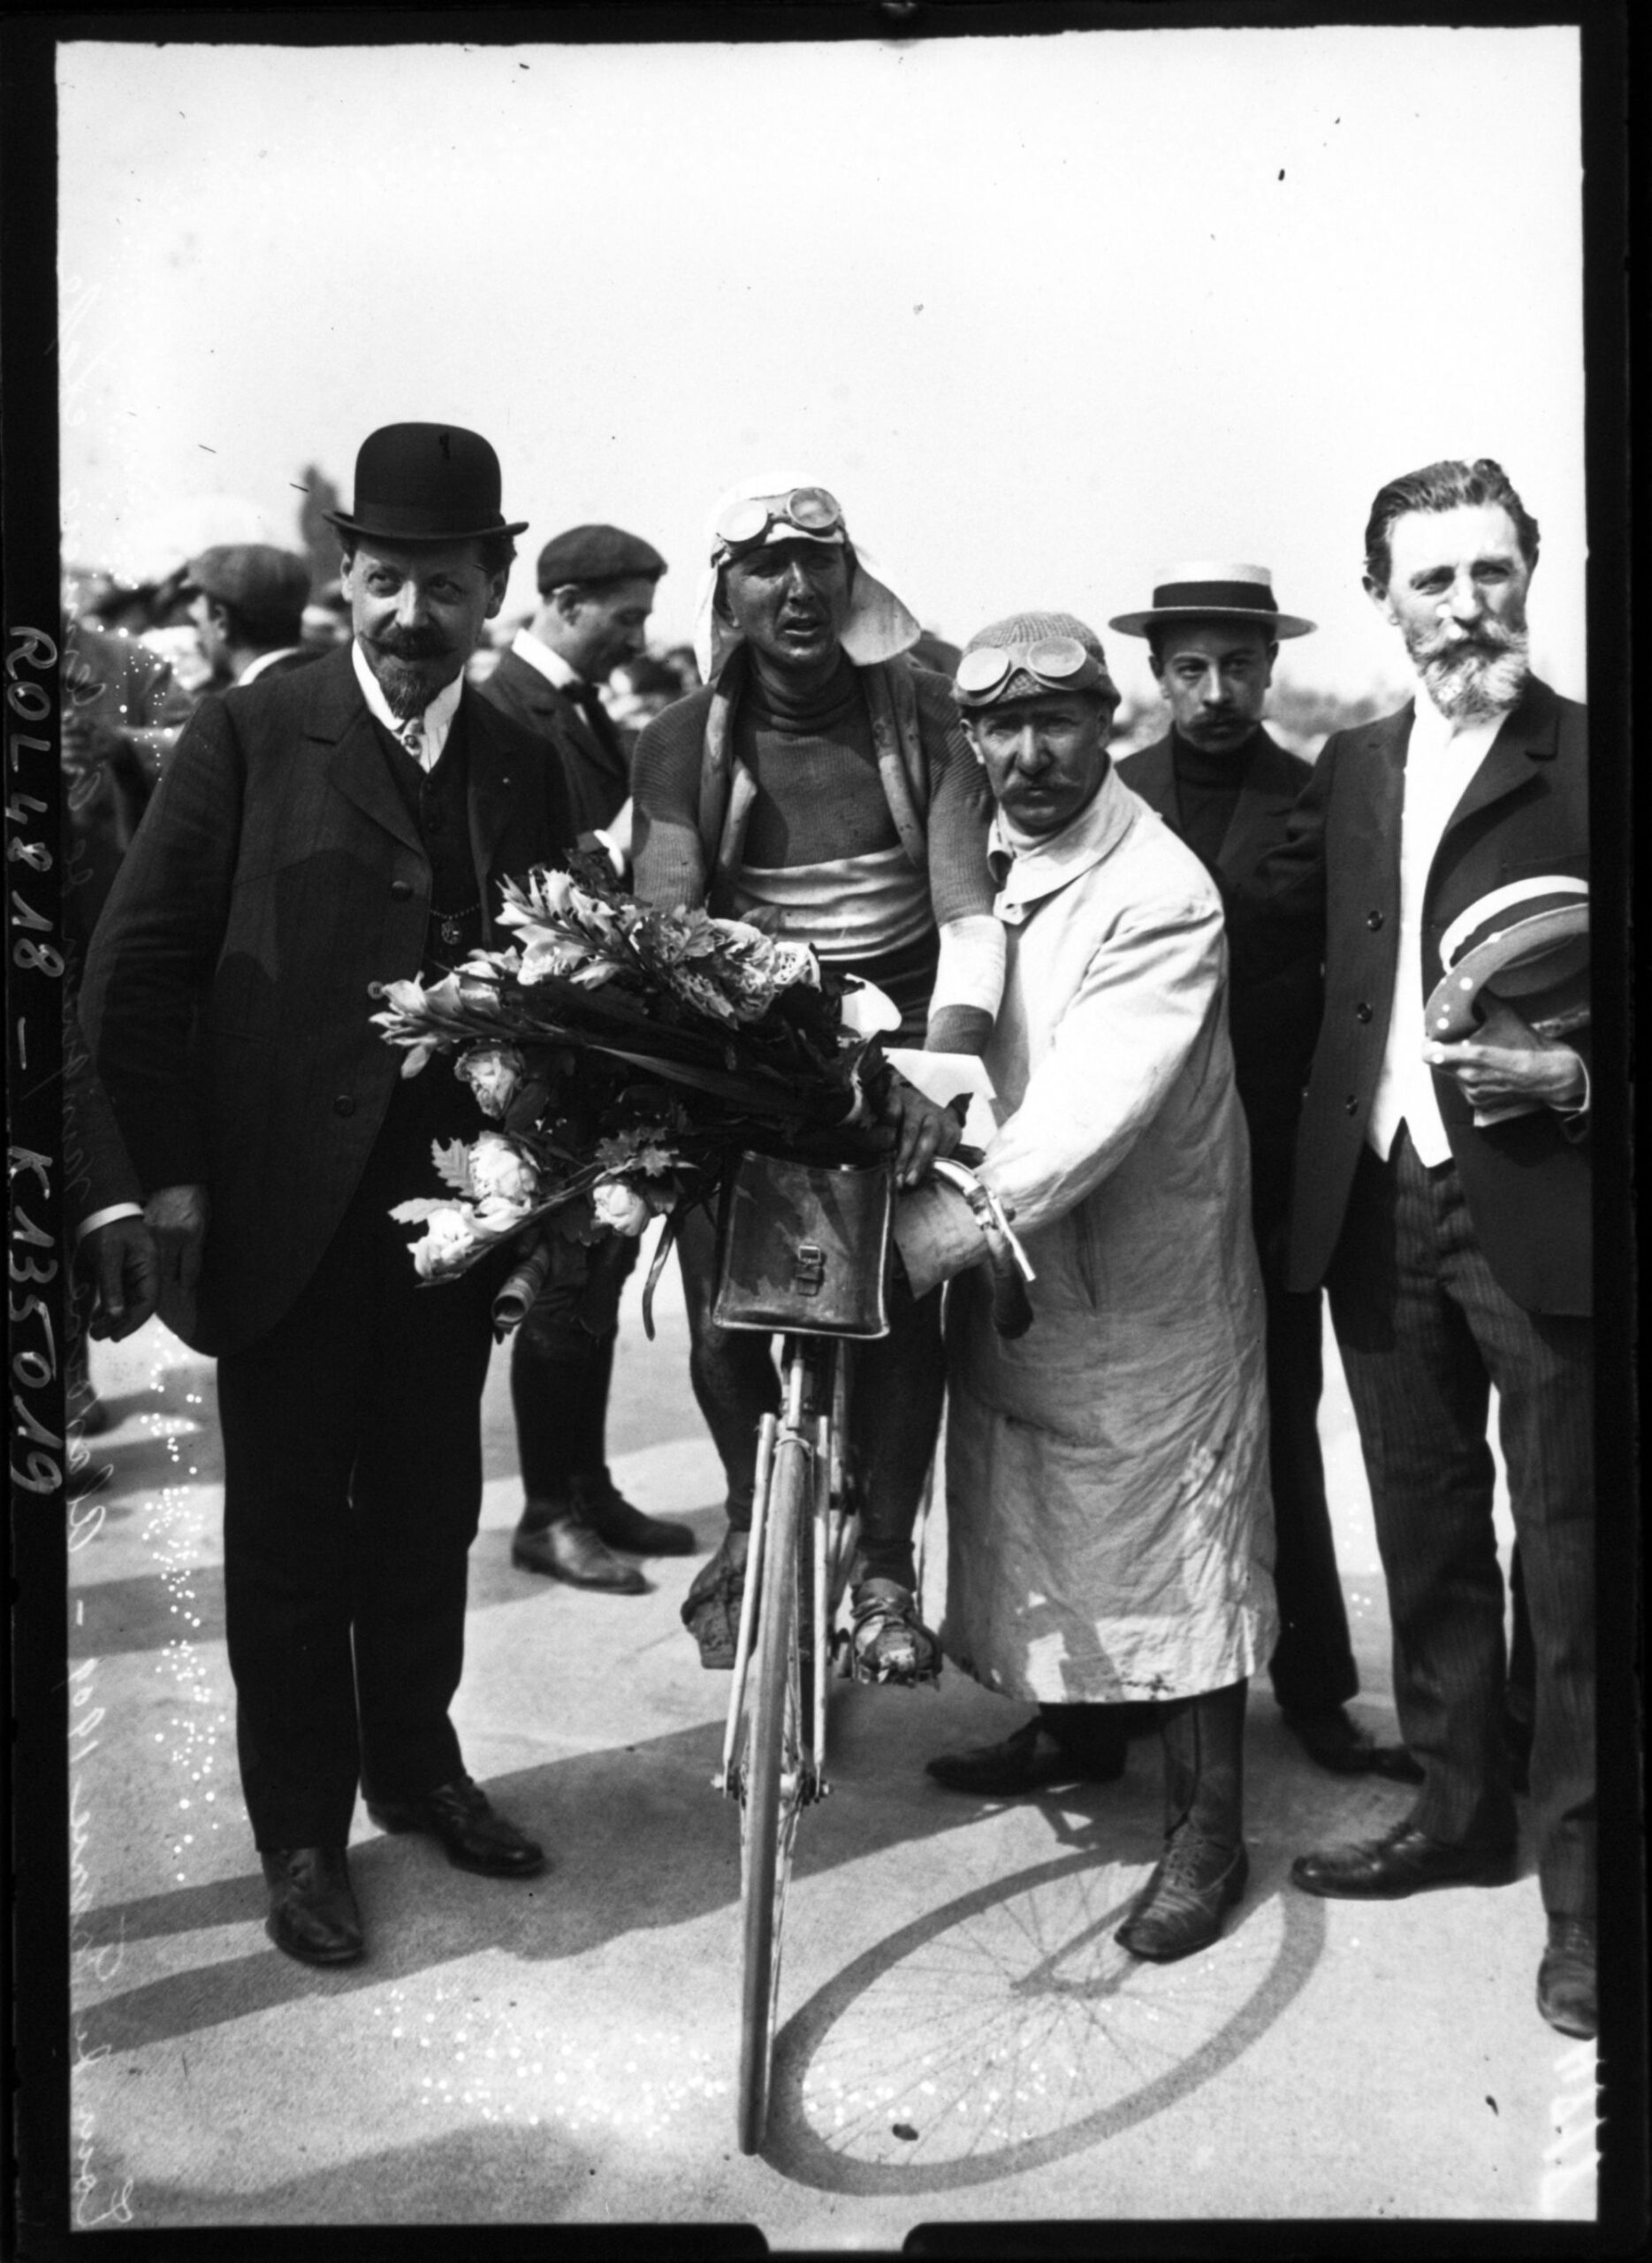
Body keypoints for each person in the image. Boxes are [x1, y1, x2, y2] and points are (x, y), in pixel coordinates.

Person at [81, 423, 574, 1969]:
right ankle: (299, 1833)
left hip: (453, 1214)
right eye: (384, 582)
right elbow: (134, 976)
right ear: (347, 579)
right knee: (291, 1536)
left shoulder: (523, 755)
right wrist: (162, 1180)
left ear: (492, 587)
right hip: (278, 1215)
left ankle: (416, 1768)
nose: (412, 616)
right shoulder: (249, 733)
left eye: (445, 586)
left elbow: (561, 984)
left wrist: (541, 1192)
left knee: (429, 1512)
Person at [1233, 459, 1594, 2039]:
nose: (1465, 606)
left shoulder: (1586, 756)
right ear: (1381, 598)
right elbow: (1260, 935)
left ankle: (1584, 1898)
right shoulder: (1358, 763)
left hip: (1545, 1207)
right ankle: (1456, 1812)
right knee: (1426, 1527)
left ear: (1529, 573)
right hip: (1376, 1200)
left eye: (1488, 571)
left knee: (1573, 1562)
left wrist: (1576, 1076)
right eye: (1431, 580)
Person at [902, 612, 1276, 1963]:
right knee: (1037, 1500)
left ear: (1107, 723)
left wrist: (933, 1229)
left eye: (1054, 721)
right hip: (1032, 1264)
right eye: (1000, 726)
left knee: (1179, 1540)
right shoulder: (989, 848)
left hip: (1147, 1277)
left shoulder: (1160, 889)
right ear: (972, 737)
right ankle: (1074, 1729)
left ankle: (1209, 1832)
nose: (1029, 753)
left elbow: (1087, 1107)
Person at [630, 478, 1001, 1678]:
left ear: (852, 580)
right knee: (721, 1306)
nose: (796, 590)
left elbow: (967, 913)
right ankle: (750, 1517)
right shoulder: (681, 739)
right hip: (750, 1037)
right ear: (726, 594)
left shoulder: (929, 715)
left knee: (898, 1298)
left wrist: (939, 1071)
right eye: (765, 569)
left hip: (907, 1048)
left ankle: (887, 1564)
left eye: (818, 564)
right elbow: (667, 923)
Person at [1112, 563, 1418, 1783]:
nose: (1216, 691)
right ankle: (1104, 1701)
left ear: (1270, 668)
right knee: (1123, 1428)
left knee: (1282, 1424)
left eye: (1238, 666)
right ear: (1156, 674)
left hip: (1270, 1169)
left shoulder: (1315, 796)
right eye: (1190, 667)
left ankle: (1317, 1690)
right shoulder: (1112, 797)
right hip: (1131, 1168)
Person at [478, 522, 688, 1592]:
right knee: (564, 1279)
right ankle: (547, 1512)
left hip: (590, 1032)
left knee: (598, 1271)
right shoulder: (507, 709)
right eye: (626, 615)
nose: (638, 637)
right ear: (563, 602)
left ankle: (588, 1486)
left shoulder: (570, 706)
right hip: (549, 1039)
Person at [183, 544, 320, 688]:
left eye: (198, 617)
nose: (197, 633)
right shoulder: (332, 674)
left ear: (221, 621)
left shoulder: (245, 700)